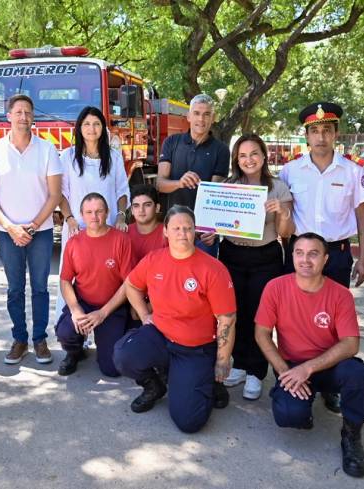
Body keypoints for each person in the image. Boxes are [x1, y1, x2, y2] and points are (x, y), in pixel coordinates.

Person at [254, 233, 364, 478]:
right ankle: (301, 402)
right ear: (292, 257)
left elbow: (351, 344)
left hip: (330, 365)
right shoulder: (275, 287)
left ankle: (351, 435)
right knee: (290, 415)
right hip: (292, 365)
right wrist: (284, 372)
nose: (305, 260)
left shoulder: (340, 294)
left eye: (313, 254)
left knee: (357, 376)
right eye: (299, 253)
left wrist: (308, 368)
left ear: (325, 259)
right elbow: (262, 334)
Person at [279, 101, 364, 413]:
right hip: (301, 255)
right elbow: (284, 211)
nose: (321, 137)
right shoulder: (290, 171)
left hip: (337, 254)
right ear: (306, 135)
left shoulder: (353, 171)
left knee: (333, 322)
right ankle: (296, 370)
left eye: (327, 131)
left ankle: (330, 381)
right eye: (315, 131)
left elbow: (362, 214)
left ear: (336, 134)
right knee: (296, 318)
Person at [113, 205, 236, 433]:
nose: (182, 233)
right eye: (176, 228)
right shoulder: (154, 260)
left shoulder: (213, 269)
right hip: (160, 335)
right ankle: (155, 386)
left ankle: (207, 379)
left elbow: (227, 319)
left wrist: (222, 360)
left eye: (188, 228)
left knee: (189, 422)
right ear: (166, 232)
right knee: (123, 355)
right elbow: (131, 285)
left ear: (195, 231)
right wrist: (145, 315)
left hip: (195, 347)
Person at [0, 94, 62, 365]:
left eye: (27, 112)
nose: (23, 117)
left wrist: (34, 225)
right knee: (15, 289)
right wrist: (10, 226)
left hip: (42, 230)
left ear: (32, 116)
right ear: (9, 116)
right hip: (7, 232)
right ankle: (20, 339)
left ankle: (40, 340)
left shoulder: (47, 149)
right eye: (18, 112)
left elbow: (54, 194)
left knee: (40, 288)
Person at [219, 134, 295, 401]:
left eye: (253, 154)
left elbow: (286, 232)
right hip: (231, 254)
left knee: (260, 315)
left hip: (266, 256)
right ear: (236, 160)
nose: (248, 160)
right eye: (242, 155)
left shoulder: (278, 187)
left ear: (263, 157)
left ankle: (256, 371)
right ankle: (238, 364)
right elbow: (221, 223)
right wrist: (210, 231)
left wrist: (282, 213)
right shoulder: (229, 185)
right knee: (234, 310)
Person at [57, 106, 129, 316]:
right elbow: (61, 193)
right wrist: (69, 219)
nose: (91, 128)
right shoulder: (68, 157)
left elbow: (122, 190)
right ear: (79, 128)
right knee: (74, 276)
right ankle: (74, 320)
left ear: (103, 128)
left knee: (105, 275)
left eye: (96, 124)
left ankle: (106, 318)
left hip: (107, 229)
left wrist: (121, 216)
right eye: (86, 124)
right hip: (76, 228)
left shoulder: (114, 157)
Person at [55, 193, 133, 376]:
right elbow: (65, 280)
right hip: (84, 302)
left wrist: (103, 313)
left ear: (107, 213)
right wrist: (75, 310)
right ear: (81, 215)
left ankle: (105, 344)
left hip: (112, 306)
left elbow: (128, 284)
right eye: (89, 212)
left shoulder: (121, 240)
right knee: (65, 332)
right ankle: (74, 353)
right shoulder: (74, 243)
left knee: (111, 370)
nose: (94, 216)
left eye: (99, 211)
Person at [155, 94, 230, 257]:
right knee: (172, 278)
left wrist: (213, 230)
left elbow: (217, 194)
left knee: (203, 280)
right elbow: (160, 184)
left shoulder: (221, 150)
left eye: (206, 114)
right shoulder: (171, 142)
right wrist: (179, 183)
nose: (201, 119)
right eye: (196, 113)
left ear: (213, 118)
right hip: (174, 228)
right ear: (188, 116)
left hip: (204, 233)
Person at [127, 184, 167, 265]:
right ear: (132, 210)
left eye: (147, 205)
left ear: (157, 208)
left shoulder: (168, 233)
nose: (141, 210)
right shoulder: (124, 233)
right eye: (136, 206)